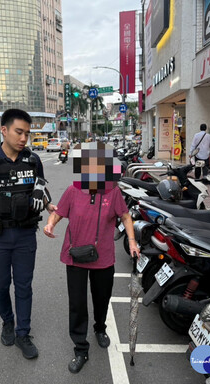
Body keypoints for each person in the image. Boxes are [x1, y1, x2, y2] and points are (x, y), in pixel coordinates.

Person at [0, 109, 56, 360]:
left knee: (24, 286)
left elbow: (41, 190)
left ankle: (23, 333)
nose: (24, 138)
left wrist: (48, 205)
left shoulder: (33, 160)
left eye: (27, 133)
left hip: (26, 234)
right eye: (19, 132)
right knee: (0, 285)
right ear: (3, 130)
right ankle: (7, 321)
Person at [43, 142, 139, 374]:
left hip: (103, 256)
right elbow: (59, 212)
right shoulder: (73, 190)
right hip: (75, 255)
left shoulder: (113, 192)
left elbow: (125, 216)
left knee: (102, 297)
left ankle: (100, 327)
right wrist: (50, 223)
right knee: (77, 303)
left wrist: (133, 242)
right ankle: (80, 347)